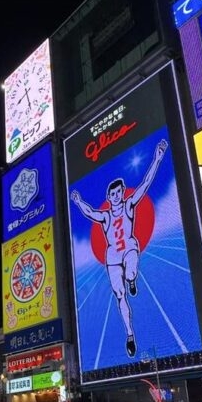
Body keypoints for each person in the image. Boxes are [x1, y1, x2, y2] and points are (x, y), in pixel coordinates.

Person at [70, 139, 168, 358]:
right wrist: (77, 201)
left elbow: (145, 184)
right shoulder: (105, 216)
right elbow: (89, 212)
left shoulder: (129, 205)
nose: (116, 196)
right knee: (120, 294)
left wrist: (157, 158)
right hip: (112, 256)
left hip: (130, 248)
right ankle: (130, 334)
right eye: (112, 194)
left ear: (122, 192)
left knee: (131, 271)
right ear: (108, 197)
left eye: (118, 192)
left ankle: (132, 278)